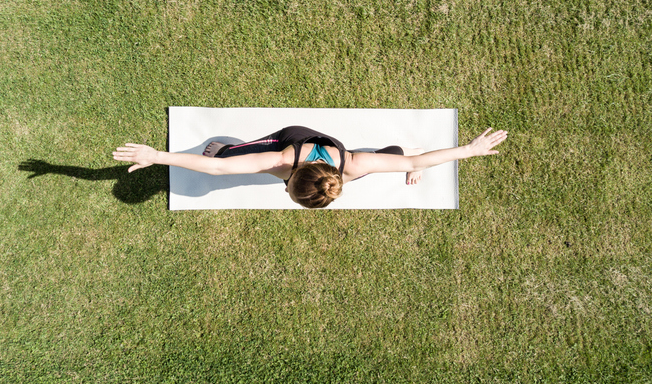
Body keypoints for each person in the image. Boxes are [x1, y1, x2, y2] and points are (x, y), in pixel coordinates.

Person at [112, 126, 507, 208]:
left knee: (397, 157)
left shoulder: (353, 166)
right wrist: (156, 156)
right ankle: (229, 146)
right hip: (292, 135)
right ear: (289, 180)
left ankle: (397, 148)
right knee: (226, 155)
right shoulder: (281, 160)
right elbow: (215, 171)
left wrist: (472, 151)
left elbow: (418, 160)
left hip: (343, 157)